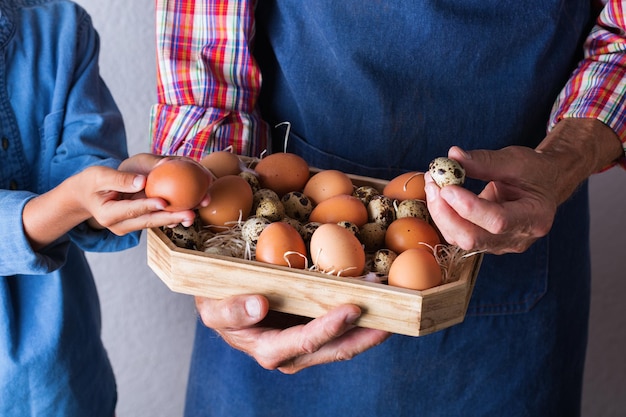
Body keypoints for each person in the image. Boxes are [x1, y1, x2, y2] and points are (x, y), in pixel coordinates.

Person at [151, 0, 626, 416]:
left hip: (514, 263)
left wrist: (563, 159)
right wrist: (215, 235)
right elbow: (204, 47)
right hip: (277, 281)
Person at [0, 1, 207, 416]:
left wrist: (115, 190)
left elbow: (85, 169)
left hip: (60, 379)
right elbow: (72, 196)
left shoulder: (61, 27)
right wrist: (71, 201)